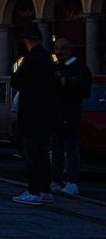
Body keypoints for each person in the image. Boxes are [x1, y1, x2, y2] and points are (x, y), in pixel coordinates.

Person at [9, 24, 56, 205]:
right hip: (46, 111)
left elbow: (17, 81)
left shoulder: (30, 58)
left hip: (31, 111)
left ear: (27, 41)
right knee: (43, 153)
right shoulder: (47, 58)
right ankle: (45, 189)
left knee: (32, 154)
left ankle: (33, 190)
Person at [50, 38, 91, 196]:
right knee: (57, 149)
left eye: (62, 49)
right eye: (56, 48)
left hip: (70, 113)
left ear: (70, 50)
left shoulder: (79, 67)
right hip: (56, 114)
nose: (59, 52)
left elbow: (85, 89)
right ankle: (56, 180)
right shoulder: (56, 67)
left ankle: (72, 182)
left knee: (71, 148)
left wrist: (67, 82)